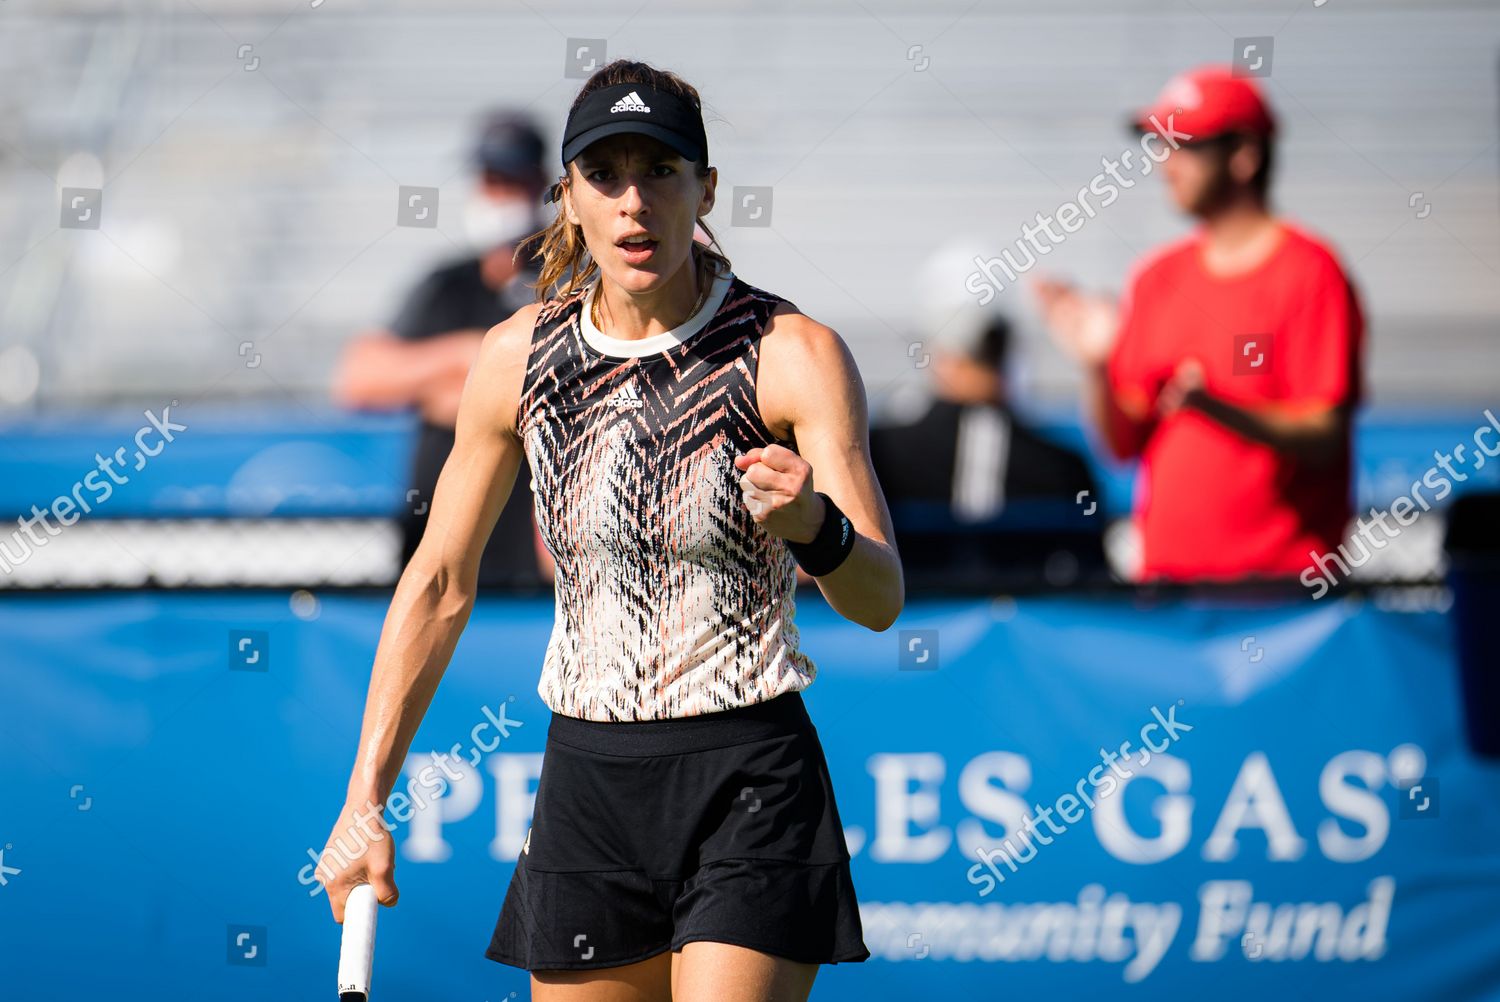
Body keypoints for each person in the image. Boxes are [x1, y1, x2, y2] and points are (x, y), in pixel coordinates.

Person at [316, 60, 902, 1002]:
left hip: (750, 776)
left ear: (706, 189)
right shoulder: (515, 358)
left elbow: (880, 600)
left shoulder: (795, 355)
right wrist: (362, 799)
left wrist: (812, 525)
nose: (636, 203)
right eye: (607, 175)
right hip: (589, 782)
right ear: (569, 199)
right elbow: (438, 585)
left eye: (662, 171)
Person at [1033, 65, 1365, 582]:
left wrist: (1216, 408)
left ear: (1244, 156)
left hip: (1284, 601)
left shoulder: (1311, 272)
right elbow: (1124, 444)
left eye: (1184, 145)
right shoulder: (1155, 278)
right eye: (1159, 145)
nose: (1165, 164)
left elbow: (1324, 433)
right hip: (1169, 595)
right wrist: (1097, 367)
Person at [332, 111, 553, 589]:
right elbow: (360, 377)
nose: (494, 194)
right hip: (433, 554)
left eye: (507, 180)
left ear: (539, 183)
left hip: (527, 559)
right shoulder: (446, 284)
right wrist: (465, 357)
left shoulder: (567, 279)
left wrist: (457, 392)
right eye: (488, 179)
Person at [871, 279, 1103, 587]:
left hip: (896, 622)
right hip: (1024, 628)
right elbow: (1096, 578)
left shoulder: (879, 451)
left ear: (943, 356)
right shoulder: (1063, 465)